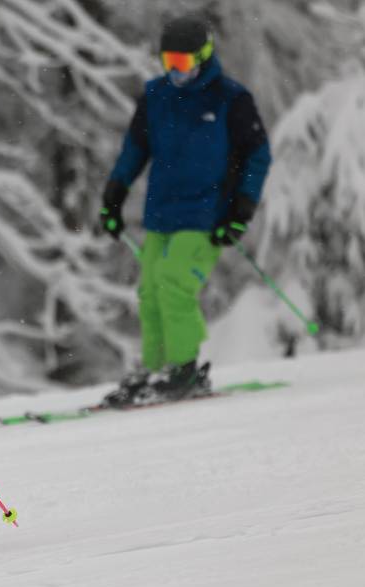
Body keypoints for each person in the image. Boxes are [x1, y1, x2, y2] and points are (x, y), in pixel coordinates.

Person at [100, 14, 271, 406]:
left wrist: (242, 209)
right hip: (162, 213)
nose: (175, 71)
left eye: (182, 62)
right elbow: (135, 150)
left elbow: (257, 155)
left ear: (204, 56)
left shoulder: (231, 99)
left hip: (208, 213)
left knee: (175, 281)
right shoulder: (156, 97)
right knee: (149, 289)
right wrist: (114, 193)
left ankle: (184, 368)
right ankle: (155, 369)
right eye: (168, 62)